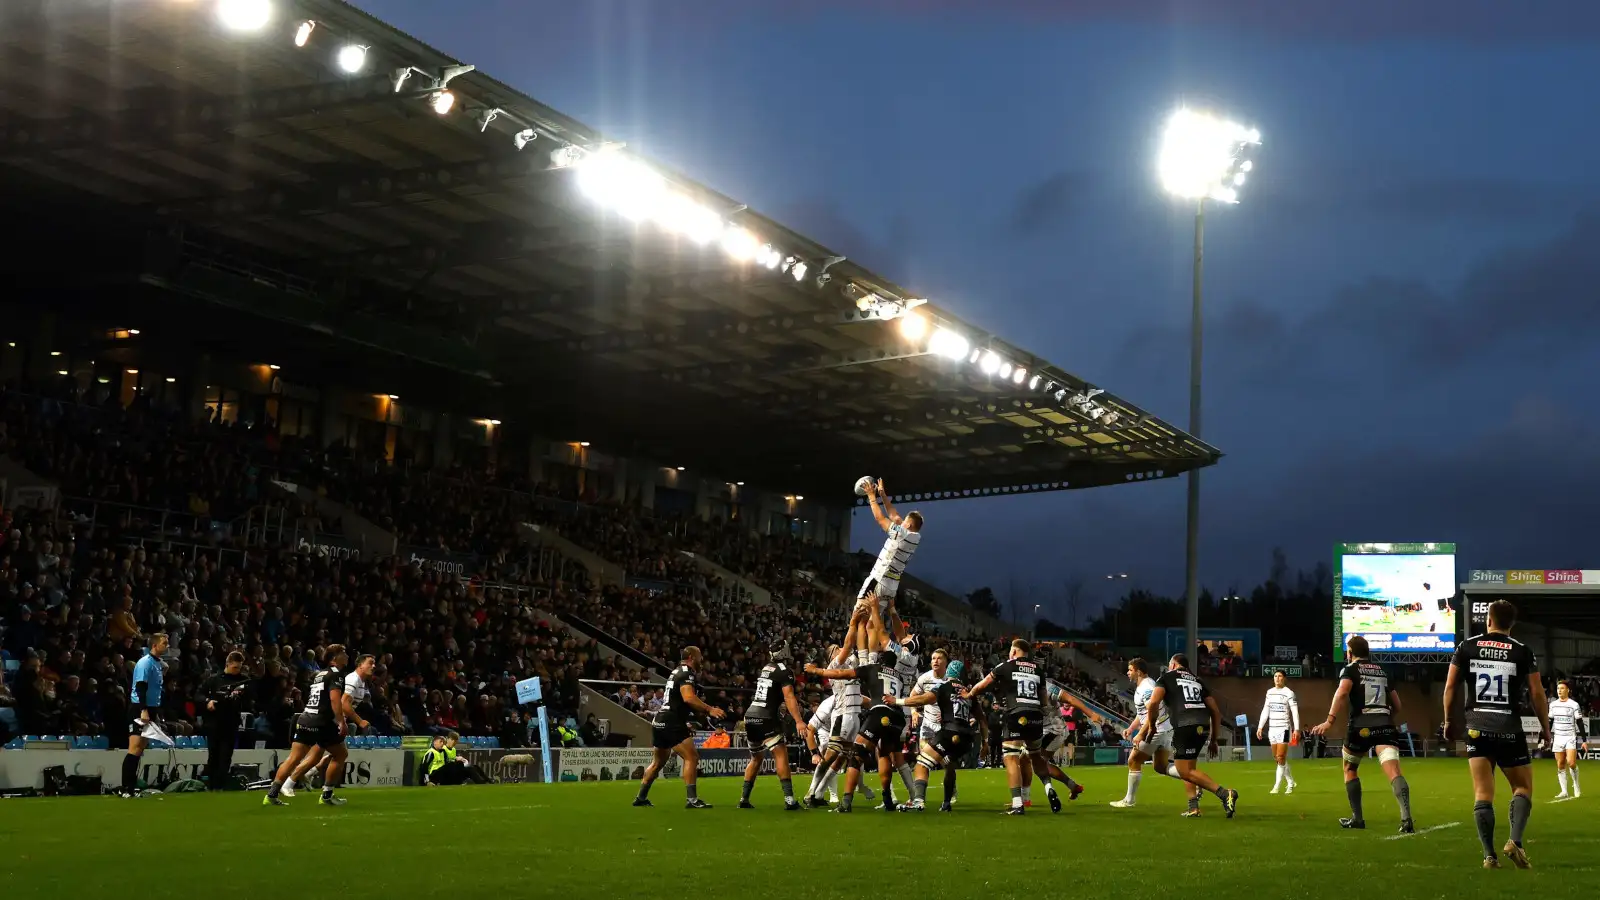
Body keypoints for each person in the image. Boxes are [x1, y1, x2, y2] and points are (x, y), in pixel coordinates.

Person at [1442, 600, 1547, 869]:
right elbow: (1536, 693)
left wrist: (1448, 721)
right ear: (1512, 624)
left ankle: (1489, 856)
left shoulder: (1466, 647)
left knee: (1482, 792)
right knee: (1522, 788)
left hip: (1477, 726)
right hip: (1509, 728)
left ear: (1488, 620)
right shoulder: (1522, 651)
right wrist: (1546, 728)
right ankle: (1515, 841)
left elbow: (1451, 686)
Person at [1311, 635, 1414, 833]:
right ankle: (1406, 818)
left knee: (1350, 768)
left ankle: (1358, 818)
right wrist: (1384, 716)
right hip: (1385, 725)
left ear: (1350, 653)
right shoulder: (1383, 671)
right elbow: (1398, 705)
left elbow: (1341, 693)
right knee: (1394, 771)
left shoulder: (1349, 670)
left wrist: (1329, 721)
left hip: (1361, 726)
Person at [1146, 654, 1238, 818]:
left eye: (1169, 665)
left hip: (1184, 725)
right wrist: (1214, 739)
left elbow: (1153, 702)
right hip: (1202, 726)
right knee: (1189, 768)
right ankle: (1193, 807)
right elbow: (1215, 712)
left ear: (1173, 665)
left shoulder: (1166, 677)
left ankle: (1225, 793)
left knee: (1184, 771)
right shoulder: (1198, 680)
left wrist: (1152, 726)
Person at [634, 646, 724, 809]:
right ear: (691, 657)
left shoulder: (676, 672)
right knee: (692, 757)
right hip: (671, 721)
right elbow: (688, 697)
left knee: (657, 763)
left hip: (661, 720)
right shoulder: (687, 673)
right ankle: (692, 800)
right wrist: (710, 709)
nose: (701, 660)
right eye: (699, 657)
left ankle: (641, 797)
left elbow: (677, 701)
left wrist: (685, 722)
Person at [264, 645, 355, 807]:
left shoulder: (320, 674)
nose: (347, 656)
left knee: (294, 758)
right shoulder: (336, 675)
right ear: (334, 658)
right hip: (322, 722)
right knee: (341, 754)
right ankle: (327, 795)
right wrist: (341, 721)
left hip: (305, 718)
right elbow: (334, 700)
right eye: (343, 653)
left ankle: (271, 795)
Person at [963, 638, 1044, 815]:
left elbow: (982, 685)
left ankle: (1017, 804)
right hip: (1036, 716)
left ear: (1014, 652)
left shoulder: (1005, 666)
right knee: (1034, 756)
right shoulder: (1038, 669)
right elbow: (1044, 699)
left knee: (1011, 757)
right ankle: (1047, 788)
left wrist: (969, 694)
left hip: (1016, 714)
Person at [894, 658, 975, 812]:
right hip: (966, 738)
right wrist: (984, 742)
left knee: (922, 763)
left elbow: (924, 698)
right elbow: (980, 718)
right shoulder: (968, 691)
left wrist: (897, 701)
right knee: (949, 764)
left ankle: (918, 801)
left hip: (948, 732)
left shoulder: (943, 686)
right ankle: (946, 803)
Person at [739, 640, 810, 811]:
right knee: (781, 755)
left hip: (750, 715)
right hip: (766, 716)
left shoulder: (766, 668)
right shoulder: (784, 671)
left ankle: (744, 799)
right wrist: (799, 721)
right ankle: (790, 800)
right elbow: (789, 697)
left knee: (756, 758)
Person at [1111, 658, 1182, 809]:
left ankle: (1129, 800)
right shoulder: (1144, 686)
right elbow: (1142, 713)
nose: (1128, 672)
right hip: (1165, 729)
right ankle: (1192, 779)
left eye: (1130, 670)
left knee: (1133, 761)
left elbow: (1152, 712)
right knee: (1161, 766)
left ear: (1139, 672)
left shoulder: (1147, 687)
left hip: (1156, 730)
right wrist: (1131, 728)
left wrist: (1141, 734)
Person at [858, 478, 922, 614]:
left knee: (857, 617)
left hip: (880, 578)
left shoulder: (902, 534)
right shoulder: (914, 537)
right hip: (891, 586)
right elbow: (895, 516)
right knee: (873, 622)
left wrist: (871, 496)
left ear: (909, 525)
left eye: (904, 521)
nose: (900, 521)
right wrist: (882, 494)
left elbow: (880, 519)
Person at [122, 633, 171, 797]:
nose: (167, 646)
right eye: (165, 643)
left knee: (140, 748)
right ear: (155, 645)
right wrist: (143, 710)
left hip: (151, 707)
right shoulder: (145, 663)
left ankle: (130, 786)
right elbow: (140, 687)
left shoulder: (157, 664)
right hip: (139, 708)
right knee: (134, 748)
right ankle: (125, 788)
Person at [200, 650, 252, 791]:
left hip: (231, 721)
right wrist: (207, 701)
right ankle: (212, 785)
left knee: (226, 755)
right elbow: (198, 694)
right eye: (235, 667)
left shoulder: (244, 681)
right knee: (213, 755)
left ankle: (221, 785)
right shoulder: (214, 680)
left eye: (239, 668)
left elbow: (249, 702)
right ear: (227, 664)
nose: (237, 671)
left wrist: (241, 699)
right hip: (214, 722)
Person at [1257, 669, 1302, 794]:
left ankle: (1276, 786)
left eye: (1280, 676)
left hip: (1284, 728)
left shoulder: (1289, 693)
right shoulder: (1269, 693)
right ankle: (1291, 781)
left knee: (1281, 756)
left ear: (1284, 678)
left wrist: (1297, 729)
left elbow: (1294, 712)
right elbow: (1265, 710)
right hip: (1272, 728)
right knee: (1277, 758)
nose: (1277, 678)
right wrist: (1260, 727)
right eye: (1275, 676)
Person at [1549, 680, 1586, 800]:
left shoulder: (1574, 704)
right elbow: (1550, 722)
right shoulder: (1553, 704)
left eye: (1562, 688)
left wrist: (1584, 741)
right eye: (1558, 688)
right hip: (1558, 737)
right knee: (1560, 765)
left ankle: (1576, 784)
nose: (1559, 690)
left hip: (1570, 736)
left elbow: (1580, 723)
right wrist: (1545, 737)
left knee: (1571, 762)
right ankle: (1564, 791)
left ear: (1568, 690)